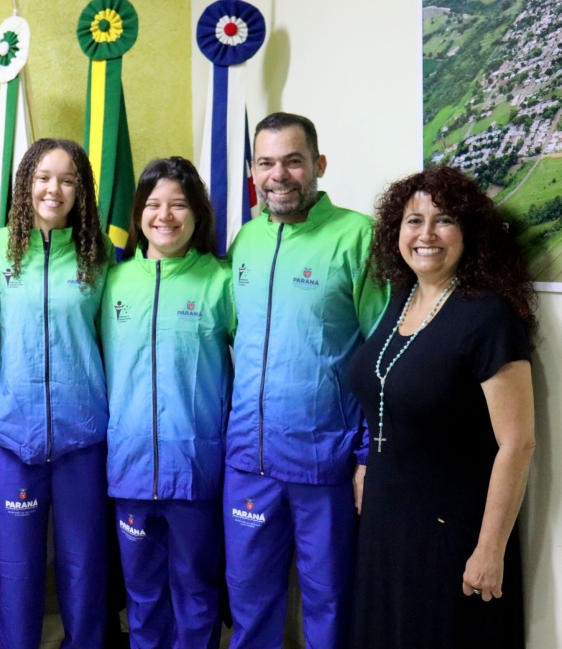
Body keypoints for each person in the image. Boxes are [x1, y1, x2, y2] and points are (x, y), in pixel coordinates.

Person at [347, 165, 536, 649]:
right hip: (388, 519)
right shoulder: (402, 298)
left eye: (443, 220)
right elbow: (386, 390)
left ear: (468, 232)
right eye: (413, 221)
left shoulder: (488, 315)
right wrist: (368, 463)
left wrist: (490, 548)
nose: (426, 234)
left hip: (451, 530)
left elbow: (517, 443)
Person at [224, 112, 389, 648]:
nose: (279, 174)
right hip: (249, 461)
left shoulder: (357, 237)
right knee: (249, 601)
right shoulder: (244, 240)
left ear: (318, 164)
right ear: (253, 171)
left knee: (329, 602)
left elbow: (385, 354)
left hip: (327, 463)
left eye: (293, 161)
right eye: (266, 162)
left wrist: (368, 455)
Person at [100, 157, 235, 649]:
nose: (165, 216)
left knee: (197, 591)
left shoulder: (222, 284)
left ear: (197, 213)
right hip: (129, 468)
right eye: (154, 204)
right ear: (138, 214)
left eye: (179, 205)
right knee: (141, 593)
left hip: (196, 469)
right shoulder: (112, 284)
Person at [0, 138, 112, 649]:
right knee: (16, 570)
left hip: (83, 439)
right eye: (42, 177)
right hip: (13, 438)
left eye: (67, 179)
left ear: (81, 191)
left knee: (84, 568)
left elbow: (109, 341)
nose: (53, 189)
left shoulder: (101, 257)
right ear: (24, 185)